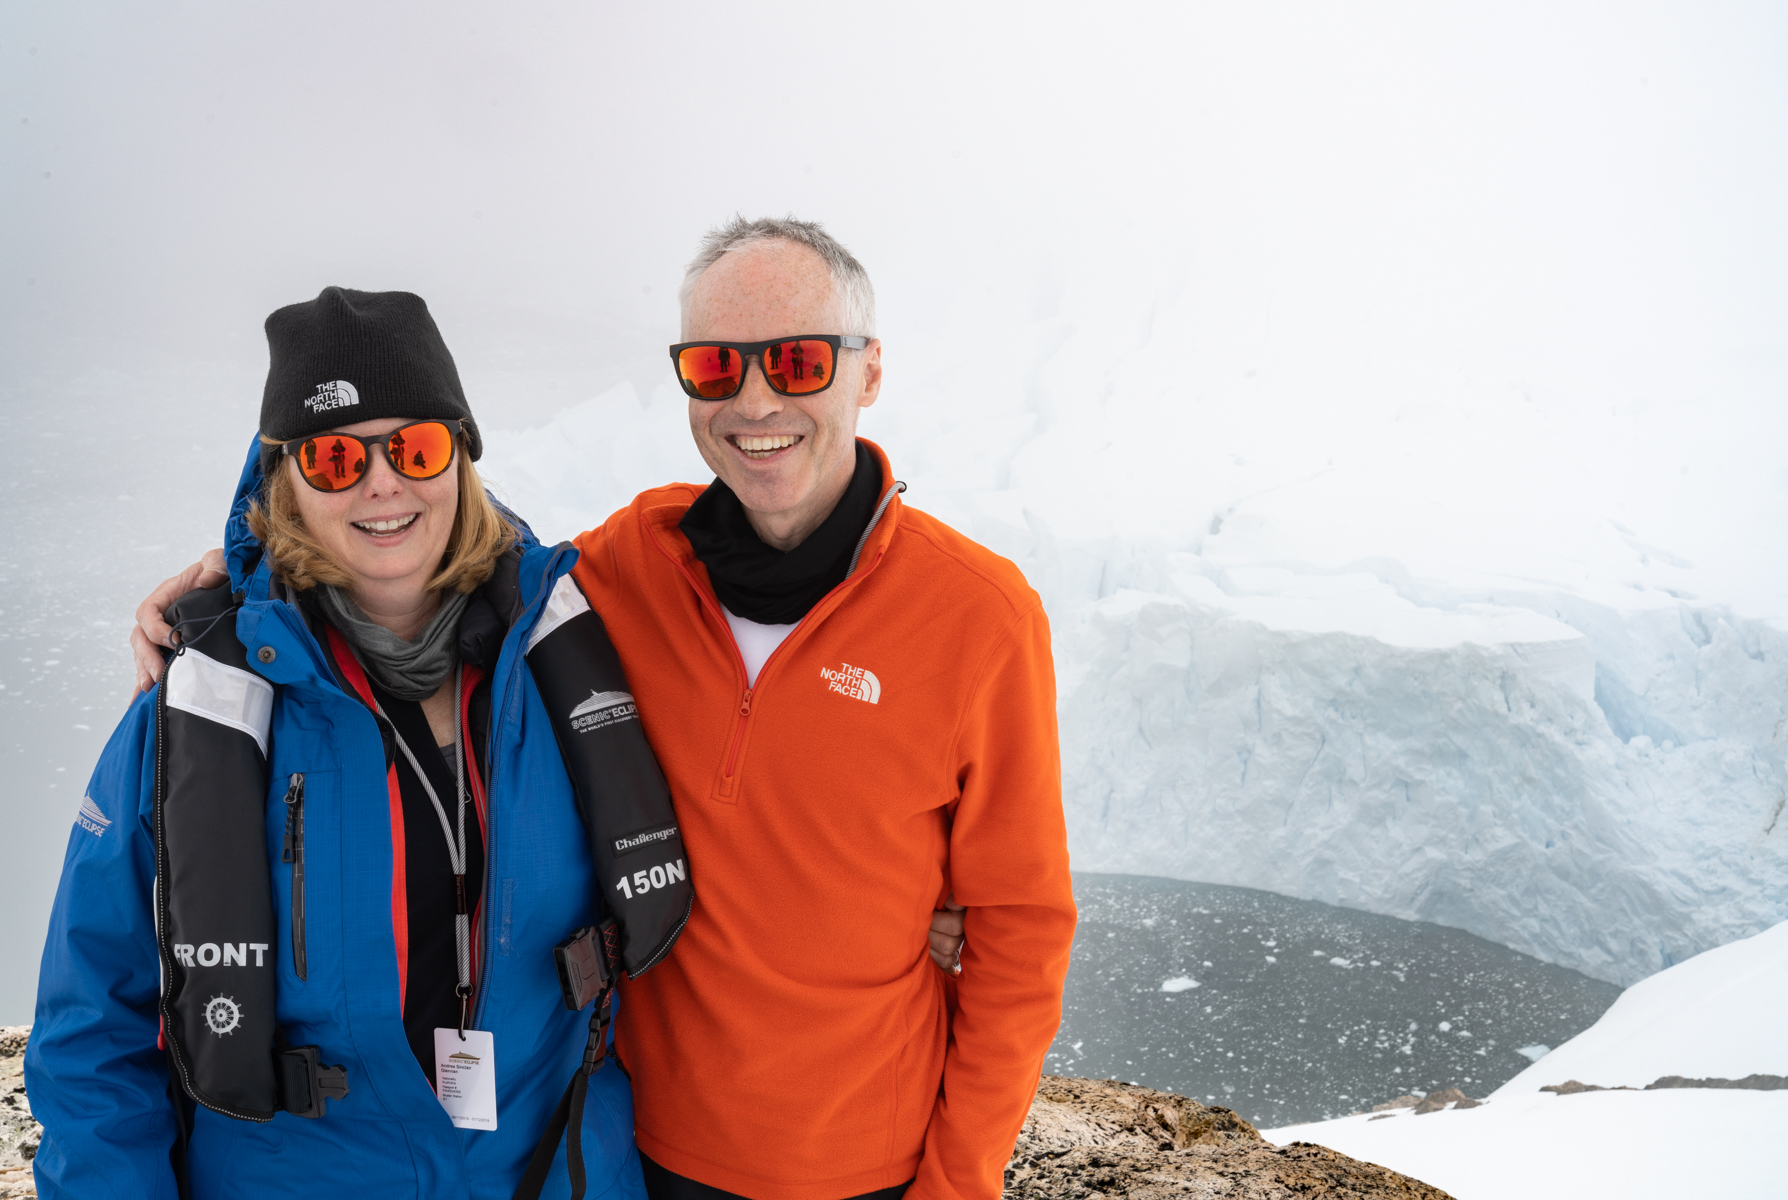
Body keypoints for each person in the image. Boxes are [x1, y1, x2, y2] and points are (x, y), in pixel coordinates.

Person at [133, 219, 1068, 1200]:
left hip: (863, 1167)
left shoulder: (979, 617)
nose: (755, 400)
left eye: (795, 362)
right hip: (634, 1149)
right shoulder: (627, 571)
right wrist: (240, 580)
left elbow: (1021, 932)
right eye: (715, 366)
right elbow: (429, 559)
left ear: (867, 372)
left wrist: (958, 1184)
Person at [37, 287, 648, 1199]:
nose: (382, 483)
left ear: (462, 460)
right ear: (287, 484)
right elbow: (92, 1032)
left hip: (551, 1167)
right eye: (332, 458)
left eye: (417, 446)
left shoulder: (573, 660)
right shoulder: (199, 710)